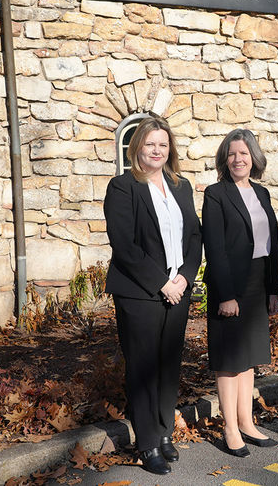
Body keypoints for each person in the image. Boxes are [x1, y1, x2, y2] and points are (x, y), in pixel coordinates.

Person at [104, 117, 202, 475]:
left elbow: (194, 236)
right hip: (140, 293)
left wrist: (184, 279)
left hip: (179, 289)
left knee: (168, 365)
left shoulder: (181, 185)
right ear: (137, 148)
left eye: (163, 144)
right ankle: (146, 443)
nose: (157, 151)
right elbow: (124, 245)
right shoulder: (123, 187)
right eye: (150, 144)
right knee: (144, 368)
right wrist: (162, 283)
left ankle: (163, 433)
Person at [202, 129, 278, 457]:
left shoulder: (262, 193)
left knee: (248, 359)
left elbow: (271, 245)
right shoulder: (216, 194)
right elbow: (215, 248)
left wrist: (274, 288)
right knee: (229, 360)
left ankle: (247, 422)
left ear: (254, 158)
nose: (238, 159)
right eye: (233, 154)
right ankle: (230, 428)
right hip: (230, 286)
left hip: (258, 283)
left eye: (244, 154)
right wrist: (225, 294)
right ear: (225, 159)